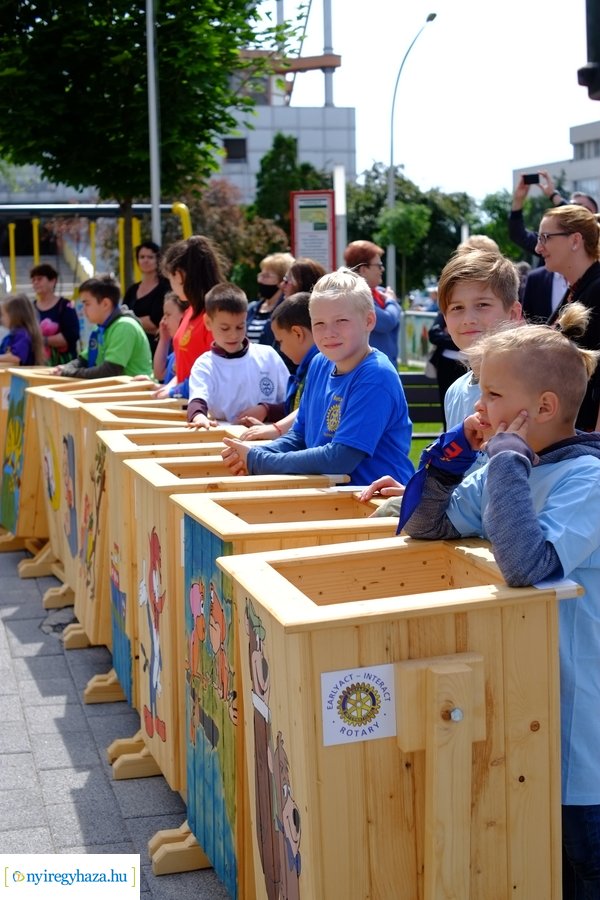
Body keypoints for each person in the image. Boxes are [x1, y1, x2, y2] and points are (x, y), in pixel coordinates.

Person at [400, 304, 600, 900]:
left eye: (491, 395)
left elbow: (526, 564)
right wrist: (451, 457)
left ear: (543, 408)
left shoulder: (584, 480)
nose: (478, 408)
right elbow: (423, 525)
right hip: (524, 714)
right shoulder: (501, 469)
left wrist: (507, 461)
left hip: (579, 730)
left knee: (582, 864)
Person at [220, 268, 414, 487]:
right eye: (319, 323)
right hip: (332, 496)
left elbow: (341, 459)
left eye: (341, 320)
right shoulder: (319, 363)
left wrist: (259, 460)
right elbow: (299, 437)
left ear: (369, 321)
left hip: (379, 504)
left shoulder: (375, 375)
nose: (329, 332)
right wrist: (253, 452)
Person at [361, 249, 521, 508]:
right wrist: (414, 491)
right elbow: (459, 474)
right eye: (457, 308)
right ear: (445, 319)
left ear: (513, 314)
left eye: (482, 305)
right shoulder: (456, 390)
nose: (469, 318)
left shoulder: (529, 388)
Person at [186, 283, 288, 429]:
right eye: (225, 328)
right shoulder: (205, 364)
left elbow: (291, 404)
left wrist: (266, 410)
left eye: (240, 327)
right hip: (222, 438)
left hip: (267, 439)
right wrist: (199, 417)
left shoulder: (268, 356)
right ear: (208, 322)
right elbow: (197, 400)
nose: (233, 335)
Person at [537, 204, 600, 431]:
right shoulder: (578, 288)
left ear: (575, 240)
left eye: (545, 238)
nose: (538, 248)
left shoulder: (596, 289)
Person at [237, 292, 318, 440]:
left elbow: (310, 410)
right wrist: (270, 425)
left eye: (280, 341)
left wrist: (276, 430)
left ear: (297, 334)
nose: (280, 349)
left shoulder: (321, 369)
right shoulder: (306, 369)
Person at [54, 275, 154, 379]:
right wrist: (66, 368)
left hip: (138, 392)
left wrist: (70, 372)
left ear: (105, 304)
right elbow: (84, 360)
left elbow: (110, 371)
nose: (83, 310)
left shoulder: (125, 326)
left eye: (87, 304)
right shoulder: (101, 327)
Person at [160, 234, 224, 394]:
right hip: (188, 403)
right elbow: (185, 367)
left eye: (170, 278)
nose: (171, 285)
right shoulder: (190, 311)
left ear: (180, 275)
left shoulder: (215, 315)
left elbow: (219, 371)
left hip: (206, 410)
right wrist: (171, 385)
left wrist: (176, 390)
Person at [509, 170, 599, 256]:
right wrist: (518, 200)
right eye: (572, 206)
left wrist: (553, 195)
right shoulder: (552, 242)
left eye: (581, 208)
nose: (575, 211)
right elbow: (517, 234)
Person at [343, 240, 400, 367]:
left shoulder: (379, 292)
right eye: (379, 265)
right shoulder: (355, 296)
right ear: (363, 269)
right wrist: (391, 300)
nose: (382, 269)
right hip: (370, 369)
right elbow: (388, 321)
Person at [123, 241, 170, 356]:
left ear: (158, 260)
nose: (145, 260)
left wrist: (131, 320)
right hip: (132, 347)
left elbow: (156, 322)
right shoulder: (132, 290)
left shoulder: (166, 287)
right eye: (142, 257)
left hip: (158, 348)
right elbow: (122, 316)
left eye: (150, 257)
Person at [30, 263, 80, 365]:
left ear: (53, 281)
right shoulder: (30, 308)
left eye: (39, 279)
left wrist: (41, 340)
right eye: (33, 280)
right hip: (36, 366)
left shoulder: (66, 306)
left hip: (63, 366)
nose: (35, 283)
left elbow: (71, 335)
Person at [246, 252, 295, 345]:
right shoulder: (251, 308)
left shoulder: (286, 311)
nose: (260, 280)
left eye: (266, 276)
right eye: (260, 275)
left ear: (282, 281)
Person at [152, 291, 188, 388]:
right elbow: (159, 374)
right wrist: (164, 339)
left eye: (168, 315)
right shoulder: (174, 354)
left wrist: (154, 387)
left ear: (185, 315)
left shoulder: (187, 350)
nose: (163, 321)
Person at [0, 293, 45, 365]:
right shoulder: (10, 336)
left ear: (14, 315)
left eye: (3, 315)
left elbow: (16, 357)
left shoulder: (22, 335)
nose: (1, 319)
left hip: (21, 376)